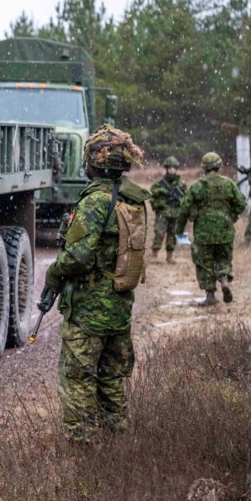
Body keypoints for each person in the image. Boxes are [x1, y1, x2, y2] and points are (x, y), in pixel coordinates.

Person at [38, 125, 150, 442]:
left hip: (89, 309)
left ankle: (84, 451)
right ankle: (117, 443)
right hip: (119, 305)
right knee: (112, 377)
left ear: (95, 163)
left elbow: (79, 256)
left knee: (77, 378)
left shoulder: (95, 201)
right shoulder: (132, 200)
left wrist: (53, 275)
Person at [175, 152, 247, 306]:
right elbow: (241, 204)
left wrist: (179, 230)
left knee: (205, 262)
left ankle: (210, 296)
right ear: (219, 166)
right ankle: (224, 279)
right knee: (223, 259)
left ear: (204, 168)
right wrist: (231, 216)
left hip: (203, 233)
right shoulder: (229, 184)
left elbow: (184, 209)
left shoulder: (197, 186)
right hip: (225, 231)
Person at [150, 156, 187, 263]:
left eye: (174, 168)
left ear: (176, 169)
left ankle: (169, 256)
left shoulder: (181, 184)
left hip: (176, 213)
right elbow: (152, 197)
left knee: (173, 235)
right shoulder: (160, 183)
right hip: (163, 212)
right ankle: (154, 254)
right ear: (166, 168)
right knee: (159, 233)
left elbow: (187, 198)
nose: (172, 170)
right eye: (169, 168)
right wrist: (159, 204)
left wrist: (182, 204)